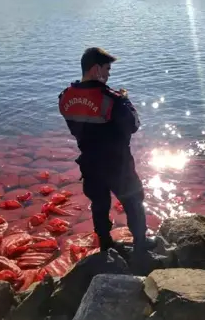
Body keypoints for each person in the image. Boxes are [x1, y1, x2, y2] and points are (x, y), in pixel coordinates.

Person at [58, 47, 154, 254]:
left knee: (99, 203)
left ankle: (105, 244)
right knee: (134, 201)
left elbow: (76, 125)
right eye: (107, 69)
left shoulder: (65, 97)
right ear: (95, 69)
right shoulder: (112, 99)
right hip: (117, 165)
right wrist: (125, 99)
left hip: (89, 163)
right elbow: (134, 125)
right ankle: (140, 245)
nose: (109, 74)